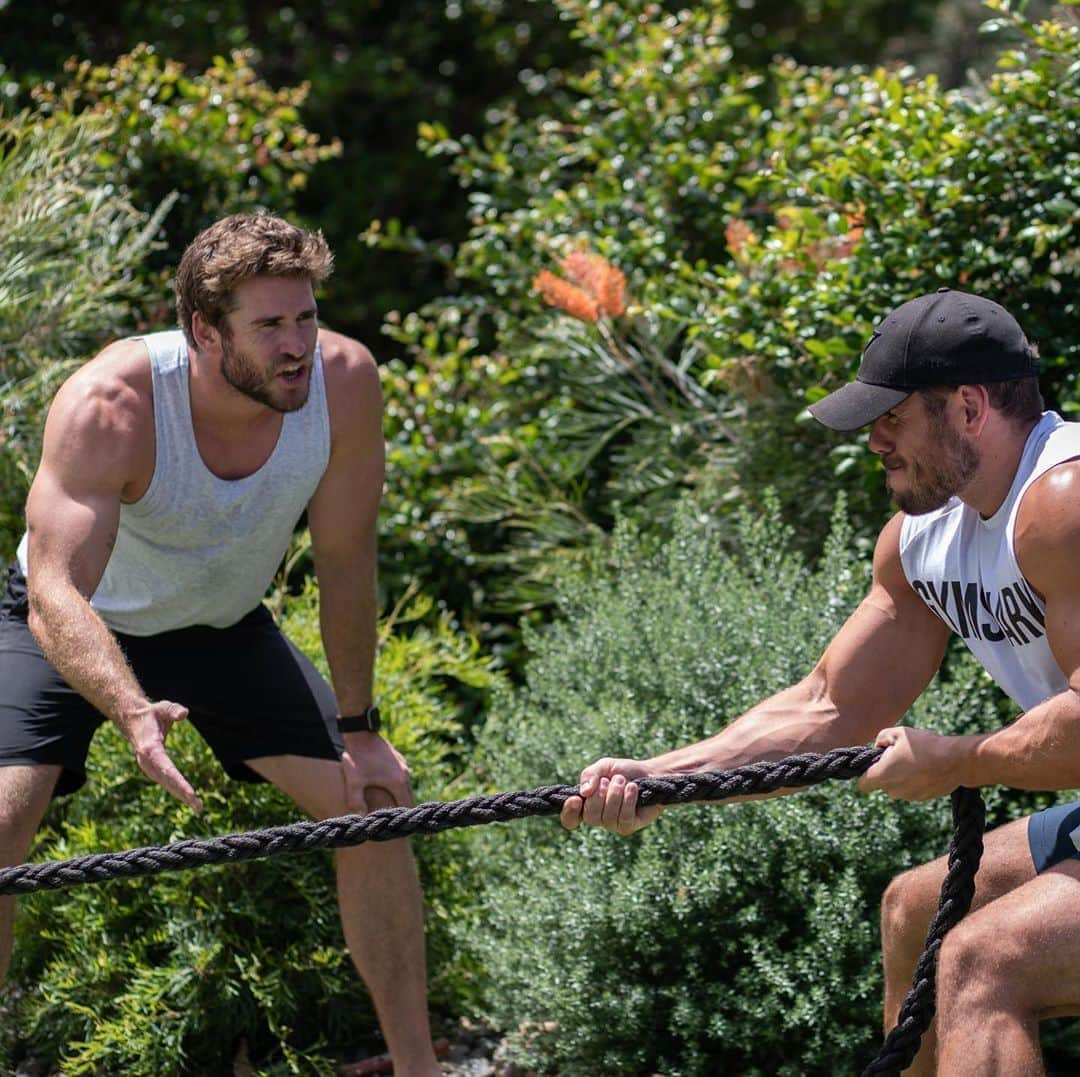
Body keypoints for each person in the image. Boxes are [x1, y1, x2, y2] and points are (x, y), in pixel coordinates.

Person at [561, 287, 1080, 1076]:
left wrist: (958, 760)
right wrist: (659, 779)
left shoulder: (1062, 503)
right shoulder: (923, 539)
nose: (874, 441)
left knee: (984, 959)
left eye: (892, 417)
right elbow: (829, 706)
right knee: (915, 911)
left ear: (970, 407)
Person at [0, 212, 442, 1075]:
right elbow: (57, 595)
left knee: (376, 808)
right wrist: (130, 710)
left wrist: (360, 724)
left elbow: (346, 560)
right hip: (73, 627)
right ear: (203, 330)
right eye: (269, 325)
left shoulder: (344, 382)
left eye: (307, 318)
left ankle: (421, 1066)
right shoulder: (113, 403)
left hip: (224, 628)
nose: (297, 347)